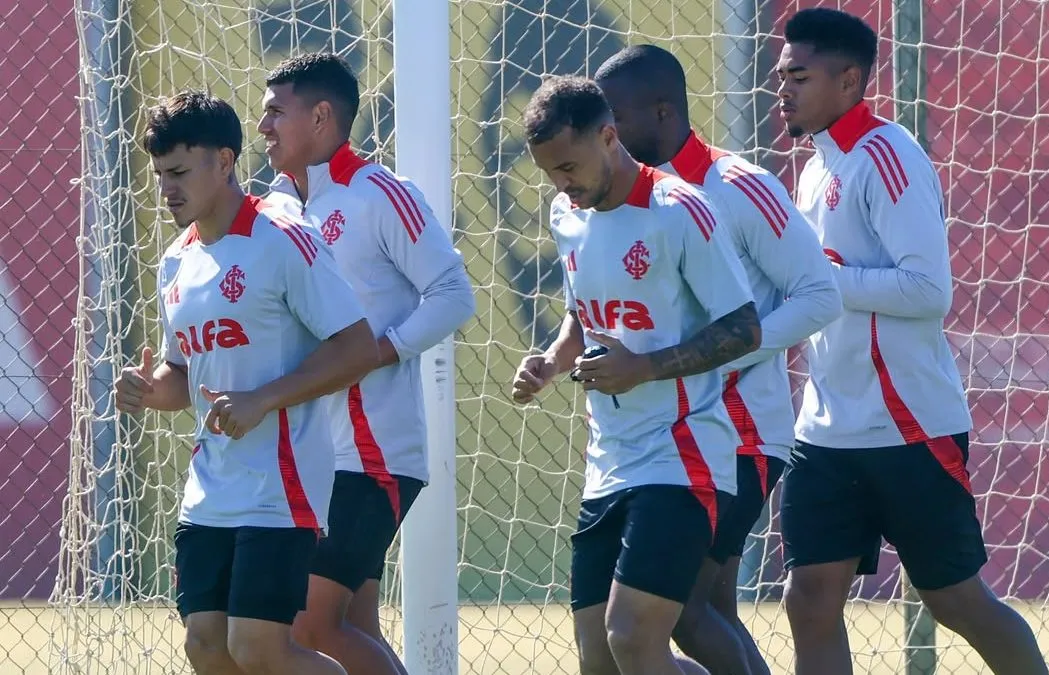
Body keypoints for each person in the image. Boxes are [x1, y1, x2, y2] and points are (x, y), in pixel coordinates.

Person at [774, 9, 1049, 675]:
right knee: (808, 598)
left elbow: (929, 291)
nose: (782, 88)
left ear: (849, 80)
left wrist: (824, 280)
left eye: (798, 76)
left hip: (908, 428)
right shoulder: (813, 168)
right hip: (826, 431)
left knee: (955, 599)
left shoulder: (890, 155)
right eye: (780, 75)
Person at [594, 44, 842, 675]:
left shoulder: (736, 185)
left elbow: (820, 294)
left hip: (741, 431)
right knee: (707, 608)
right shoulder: (624, 203)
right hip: (670, 432)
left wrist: (725, 356)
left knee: (679, 611)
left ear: (662, 110)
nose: (606, 133)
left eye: (615, 117)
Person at [114, 91, 380, 675]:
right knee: (206, 649)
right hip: (210, 487)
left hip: (279, 488)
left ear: (226, 162)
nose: (167, 189)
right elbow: (183, 375)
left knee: (259, 650)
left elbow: (357, 347)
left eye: (180, 172)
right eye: (160, 175)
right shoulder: (176, 262)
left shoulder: (283, 236)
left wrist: (264, 400)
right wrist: (150, 389)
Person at [512, 74, 763, 675]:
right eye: (550, 174)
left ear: (608, 136)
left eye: (569, 167)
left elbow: (743, 328)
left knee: (631, 637)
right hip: (609, 461)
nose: (561, 185)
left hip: (682, 454)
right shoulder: (566, 215)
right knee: (599, 660)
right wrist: (551, 362)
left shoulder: (679, 210)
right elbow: (583, 316)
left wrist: (643, 369)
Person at [258, 53, 475, 675]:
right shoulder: (273, 210)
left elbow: (454, 294)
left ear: (322, 116)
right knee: (350, 626)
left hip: (370, 452)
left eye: (277, 110)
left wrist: (377, 353)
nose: (264, 125)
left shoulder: (380, 193)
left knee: (306, 625)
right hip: (311, 455)